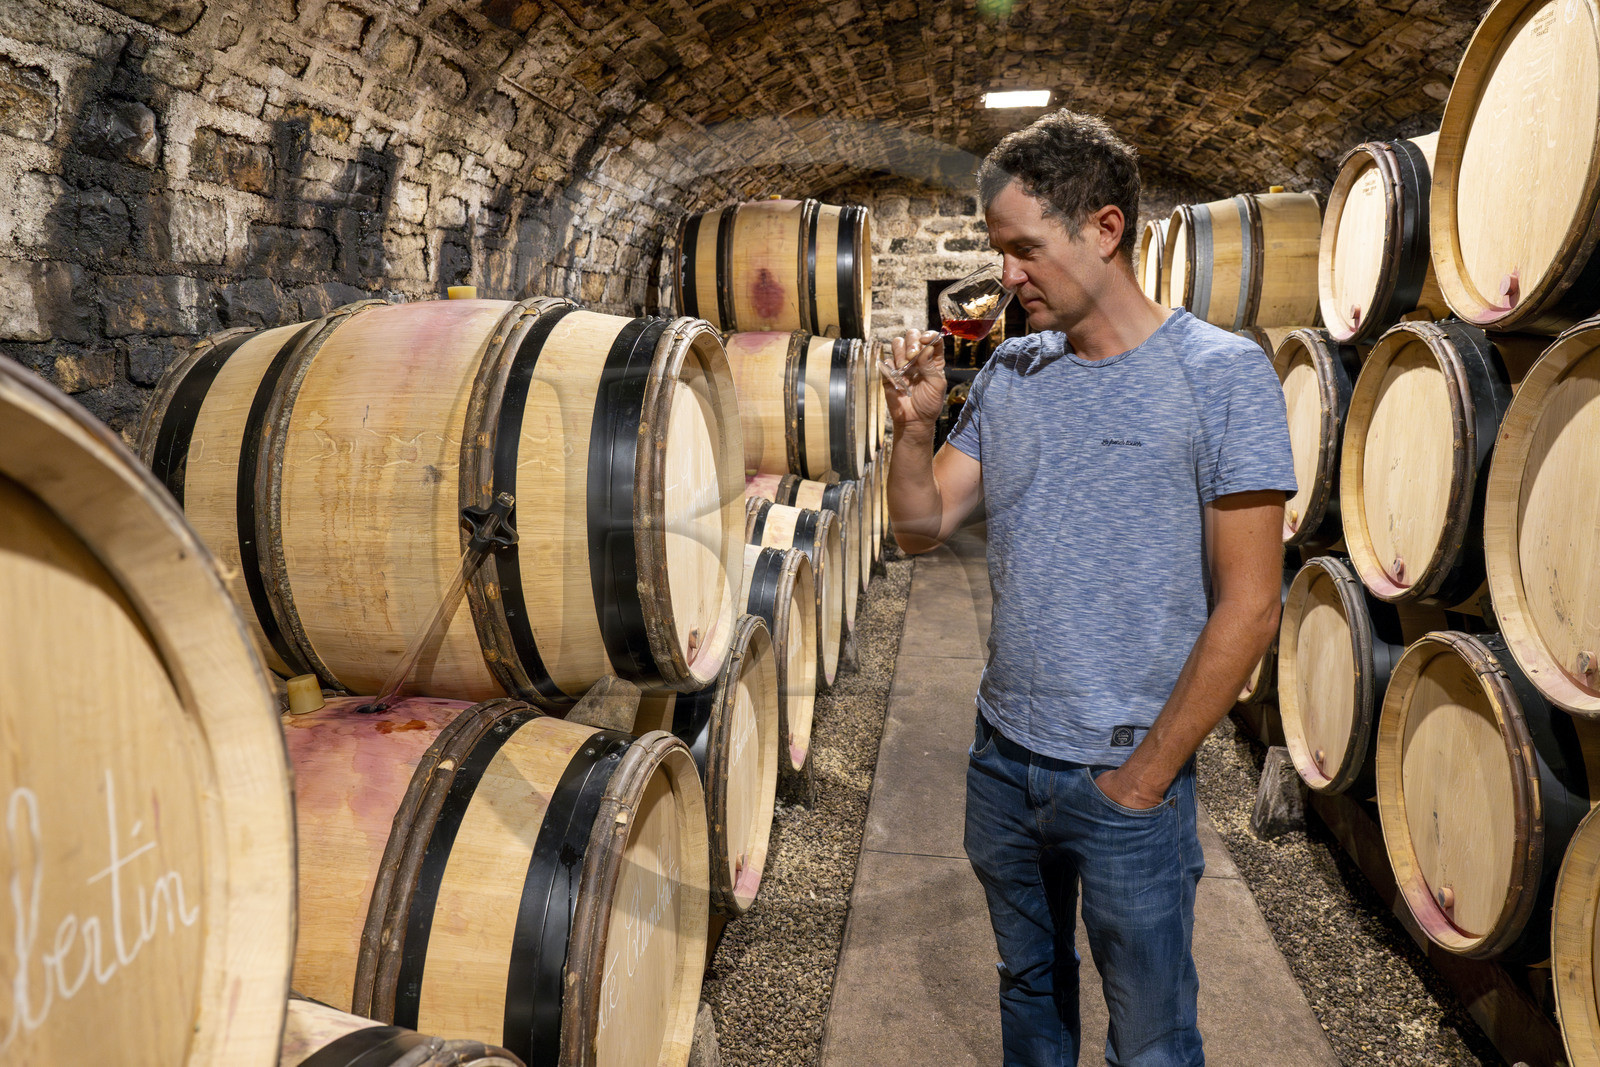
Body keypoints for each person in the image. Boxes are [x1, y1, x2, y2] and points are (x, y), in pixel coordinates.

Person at [882, 109, 1295, 1066]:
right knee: (1029, 997)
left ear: (1104, 230)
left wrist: (1142, 782)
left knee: (1150, 1039)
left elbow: (1252, 605)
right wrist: (912, 430)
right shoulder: (1014, 373)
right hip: (1000, 760)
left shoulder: (1222, 377)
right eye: (999, 252)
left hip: (1124, 779)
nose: (1006, 277)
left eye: (1024, 249)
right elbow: (917, 528)